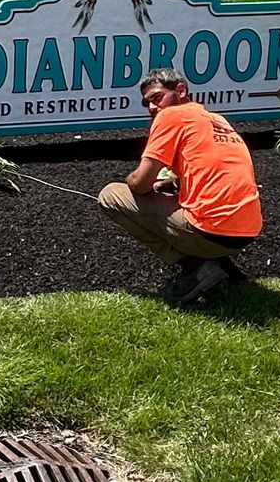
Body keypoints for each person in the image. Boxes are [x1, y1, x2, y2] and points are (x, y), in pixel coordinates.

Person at [99, 69, 261, 307]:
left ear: (181, 91)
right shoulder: (217, 120)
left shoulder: (171, 116)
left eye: (156, 98)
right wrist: (173, 182)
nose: (152, 107)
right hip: (247, 232)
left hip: (210, 234)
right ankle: (220, 262)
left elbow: (141, 184)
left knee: (111, 195)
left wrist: (133, 180)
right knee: (173, 195)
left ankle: (197, 268)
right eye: (147, 103)